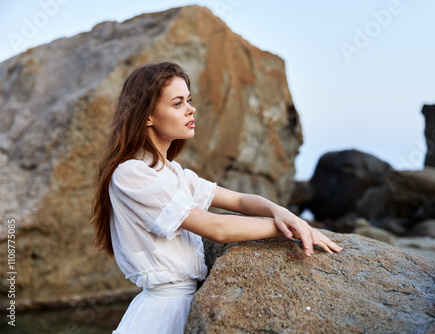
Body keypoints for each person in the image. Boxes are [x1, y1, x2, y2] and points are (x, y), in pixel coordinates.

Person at [90, 61, 342, 334]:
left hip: (187, 303)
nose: (191, 108)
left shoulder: (173, 172)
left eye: (189, 100)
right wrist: (289, 229)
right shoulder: (132, 174)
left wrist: (281, 212)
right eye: (177, 103)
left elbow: (239, 201)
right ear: (147, 116)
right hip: (162, 314)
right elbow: (216, 228)